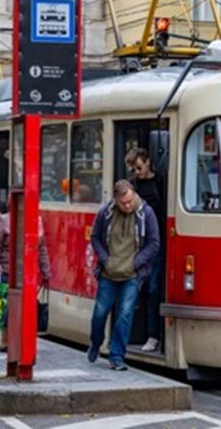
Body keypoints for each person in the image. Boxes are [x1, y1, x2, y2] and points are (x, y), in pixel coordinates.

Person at [87, 180, 159, 370]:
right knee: (100, 313)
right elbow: (94, 237)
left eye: (129, 201)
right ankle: (96, 342)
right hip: (108, 273)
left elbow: (154, 243)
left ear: (133, 194)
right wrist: (105, 260)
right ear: (116, 200)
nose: (127, 206)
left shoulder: (146, 213)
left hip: (132, 275)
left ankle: (117, 356)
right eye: (123, 203)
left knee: (125, 315)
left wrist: (135, 263)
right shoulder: (106, 213)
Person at [0, 204, 51, 352]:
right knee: (8, 308)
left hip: (28, 272)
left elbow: (41, 248)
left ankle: (22, 340)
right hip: (6, 270)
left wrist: (46, 270)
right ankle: (4, 340)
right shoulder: (3, 220)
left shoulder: (38, 221)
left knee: (26, 307)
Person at [125, 148, 166, 353]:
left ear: (148, 162)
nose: (137, 172)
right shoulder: (132, 186)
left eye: (139, 167)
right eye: (133, 169)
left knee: (153, 289)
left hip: (156, 244)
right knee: (135, 288)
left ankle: (152, 335)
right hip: (137, 244)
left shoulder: (162, 182)